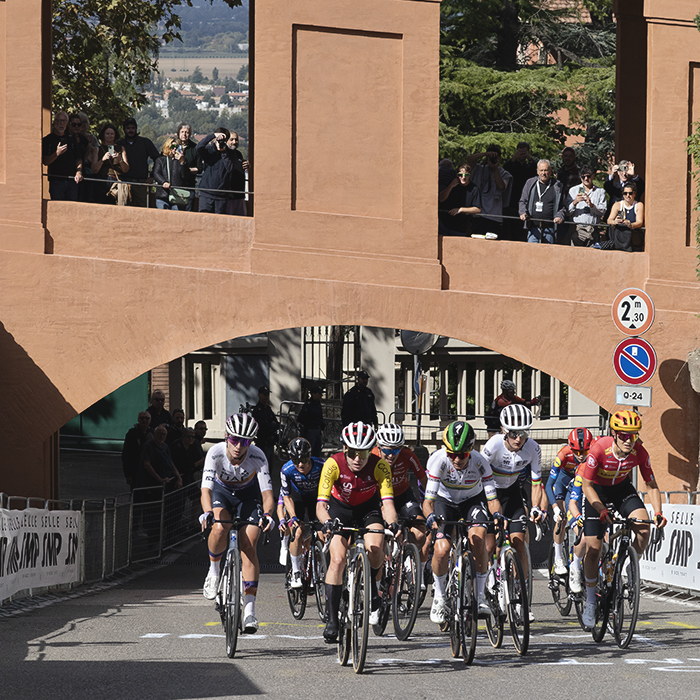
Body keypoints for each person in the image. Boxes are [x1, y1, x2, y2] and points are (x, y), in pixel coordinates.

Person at [580, 410, 665, 629]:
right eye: (624, 435)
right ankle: (590, 600)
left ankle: (629, 565)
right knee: (593, 549)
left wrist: (658, 512)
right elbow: (586, 485)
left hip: (621, 489)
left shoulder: (639, 452)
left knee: (644, 529)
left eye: (633, 435)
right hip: (596, 491)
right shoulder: (598, 448)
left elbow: (651, 484)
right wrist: (599, 508)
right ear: (614, 433)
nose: (629, 440)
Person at [316, 422, 398, 642]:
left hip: (367, 509)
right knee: (337, 559)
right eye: (352, 453)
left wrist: (392, 523)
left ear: (370, 449)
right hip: (339, 510)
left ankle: (372, 587)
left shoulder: (380, 466)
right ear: (345, 449)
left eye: (362, 452)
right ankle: (332, 620)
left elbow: (388, 505)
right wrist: (327, 522)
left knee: (376, 545)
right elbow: (321, 506)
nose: (357, 458)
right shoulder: (333, 464)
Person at [199, 413, 275, 634]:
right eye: (234, 439)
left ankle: (249, 611)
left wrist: (268, 514)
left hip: (248, 496)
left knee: (249, 544)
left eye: (245, 441)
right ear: (226, 437)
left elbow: (267, 493)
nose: (238, 446)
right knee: (220, 526)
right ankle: (214, 572)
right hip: (222, 493)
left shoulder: (258, 456)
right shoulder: (215, 453)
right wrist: (206, 513)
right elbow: (206, 489)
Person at [423, 421, 502, 622]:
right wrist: (430, 516)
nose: (456, 459)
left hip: (471, 501)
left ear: (471, 450)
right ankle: (440, 597)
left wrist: (497, 516)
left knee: (478, 539)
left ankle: (481, 596)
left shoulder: (480, 462)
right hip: (445, 502)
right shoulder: (438, 461)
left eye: (462, 455)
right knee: (441, 549)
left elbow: (492, 500)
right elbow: (428, 502)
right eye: (452, 454)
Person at [481, 404, 546, 621]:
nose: (519, 439)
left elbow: (536, 483)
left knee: (519, 542)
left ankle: (522, 599)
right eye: (513, 433)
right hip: (488, 492)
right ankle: (489, 579)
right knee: (489, 545)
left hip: (512, 493)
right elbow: (480, 477)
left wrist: (535, 507)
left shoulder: (533, 448)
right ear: (503, 430)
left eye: (524, 433)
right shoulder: (492, 446)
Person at [544, 428, 593, 580]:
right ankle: (558, 557)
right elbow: (549, 484)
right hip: (563, 483)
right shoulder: (564, 454)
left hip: (580, 483)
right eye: (577, 452)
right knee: (562, 518)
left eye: (584, 451)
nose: (580, 455)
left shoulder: (592, 455)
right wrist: (554, 507)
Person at [374, 423, 427, 558]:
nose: (391, 456)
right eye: (387, 451)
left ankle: (410, 559)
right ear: (379, 447)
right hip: (379, 498)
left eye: (396, 451)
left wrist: (431, 502)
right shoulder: (371, 457)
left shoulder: (407, 455)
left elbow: (424, 479)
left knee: (420, 533)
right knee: (383, 534)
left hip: (403, 495)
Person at [279, 437, 325, 588]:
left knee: (321, 536)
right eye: (296, 460)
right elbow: (286, 497)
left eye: (304, 459)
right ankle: (297, 571)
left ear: (310, 456)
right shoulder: (286, 470)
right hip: (297, 498)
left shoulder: (322, 465)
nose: (300, 464)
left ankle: (316, 569)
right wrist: (292, 518)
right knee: (297, 532)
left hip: (316, 499)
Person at [466, 145, 513, 238]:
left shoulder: (504, 173)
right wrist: (485, 154)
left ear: (499, 158)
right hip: (479, 215)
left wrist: (495, 168)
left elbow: (501, 187)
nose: (492, 159)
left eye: (495, 157)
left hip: (494, 216)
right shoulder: (479, 169)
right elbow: (469, 160)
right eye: (490, 157)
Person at [518, 159, 566, 244]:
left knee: (548, 254)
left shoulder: (557, 186)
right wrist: (523, 213)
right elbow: (523, 201)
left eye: (546, 170)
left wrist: (560, 216)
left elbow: (562, 206)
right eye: (541, 170)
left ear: (550, 171)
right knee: (532, 253)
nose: (543, 173)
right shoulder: (530, 183)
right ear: (537, 171)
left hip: (550, 228)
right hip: (533, 228)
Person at [197, 127, 240, 214]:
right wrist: (213, 135)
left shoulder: (231, 153)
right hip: (206, 193)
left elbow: (230, 168)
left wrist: (224, 152)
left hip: (221, 196)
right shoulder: (209, 150)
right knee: (204, 220)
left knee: (219, 223)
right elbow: (198, 147)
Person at [42, 111, 84, 201]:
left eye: (64, 121)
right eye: (59, 121)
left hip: (72, 181)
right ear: (54, 122)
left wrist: (79, 172)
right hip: (56, 181)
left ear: (67, 124)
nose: (61, 123)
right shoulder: (47, 140)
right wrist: (57, 153)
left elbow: (78, 158)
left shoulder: (72, 139)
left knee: (72, 208)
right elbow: (45, 161)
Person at [118, 117, 159, 208]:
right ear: (124, 129)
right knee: (122, 209)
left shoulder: (145, 142)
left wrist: (152, 176)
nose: (130, 130)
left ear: (136, 129)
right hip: (124, 183)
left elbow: (158, 159)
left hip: (141, 183)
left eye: (133, 128)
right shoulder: (119, 144)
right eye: (128, 128)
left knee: (143, 209)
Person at [566, 165, 607, 247]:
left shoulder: (600, 192)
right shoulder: (573, 190)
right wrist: (575, 202)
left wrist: (592, 205)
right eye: (583, 177)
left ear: (593, 176)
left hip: (593, 230)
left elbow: (603, 211)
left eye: (588, 176)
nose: (586, 179)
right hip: (577, 230)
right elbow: (567, 212)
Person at [504, 142, 538, 241]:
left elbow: (537, 171)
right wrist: (514, 157)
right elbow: (504, 170)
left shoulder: (530, 167)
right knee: (507, 231)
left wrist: (529, 158)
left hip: (525, 202)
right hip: (510, 201)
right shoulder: (511, 165)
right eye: (520, 150)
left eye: (524, 150)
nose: (522, 153)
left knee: (520, 232)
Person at [438, 163, 482, 237]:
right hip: (444, 224)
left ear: (470, 175)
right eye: (460, 175)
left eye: (466, 175)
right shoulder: (451, 184)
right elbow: (441, 199)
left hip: (460, 228)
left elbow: (477, 209)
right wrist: (451, 186)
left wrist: (460, 210)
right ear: (457, 175)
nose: (463, 177)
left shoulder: (474, 189)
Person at [91, 123, 129, 205]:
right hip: (101, 181)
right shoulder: (97, 149)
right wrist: (103, 159)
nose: (110, 136)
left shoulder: (121, 148)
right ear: (103, 135)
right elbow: (94, 170)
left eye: (112, 134)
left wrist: (120, 160)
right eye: (107, 134)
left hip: (116, 182)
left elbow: (126, 169)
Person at [138, 424, 182, 493]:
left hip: (167, 479)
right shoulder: (148, 445)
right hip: (153, 482)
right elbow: (147, 464)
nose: (161, 436)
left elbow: (170, 462)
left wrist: (179, 477)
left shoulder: (165, 446)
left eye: (164, 434)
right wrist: (159, 479)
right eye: (159, 434)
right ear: (154, 434)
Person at [153, 138, 192, 210]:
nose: (174, 149)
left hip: (178, 196)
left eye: (177, 147)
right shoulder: (161, 160)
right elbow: (156, 173)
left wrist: (182, 162)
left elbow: (186, 176)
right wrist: (163, 182)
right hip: (163, 196)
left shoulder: (183, 161)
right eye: (172, 147)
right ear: (168, 147)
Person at [605, 182, 644, 252]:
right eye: (625, 193)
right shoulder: (617, 205)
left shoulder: (638, 205)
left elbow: (640, 222)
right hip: (619, 239)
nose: (627, 195)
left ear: (634, 194)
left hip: (632, 240)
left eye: (630, 193)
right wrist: (615, 222)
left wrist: (631, 225)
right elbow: (609, 220)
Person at [121, 411, 153, 489]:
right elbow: (126, 455)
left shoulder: (153, 433)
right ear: (138, 419)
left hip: (150, 471)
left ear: (150, 420)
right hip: (136, 471)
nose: (144, 420)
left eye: (147, 418)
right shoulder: (131, 433)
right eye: (142, 418)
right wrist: (128, 475)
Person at [251, 385, 280, 468]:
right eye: (264, 394)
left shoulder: (268, 409)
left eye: (267, 394)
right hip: (263, 442)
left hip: (270, 442)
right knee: (263, 466)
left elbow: (276, 423)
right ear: (259, 395)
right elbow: (263, 426)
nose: (266, 397)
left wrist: (273, 425)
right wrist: (271, 425)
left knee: (270, 466)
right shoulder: (258, 410)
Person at [174, 122, 199, 211]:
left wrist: (186, 170)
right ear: (178, 133)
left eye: (187, 132)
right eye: (182, 132)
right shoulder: (173, 146)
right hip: (174, 186)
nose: (184, 134)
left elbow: (199, 168)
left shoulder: (195, 148)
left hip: (189, 186)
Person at [296, 385, 325, 457]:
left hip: (317, 430)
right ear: (313, 394)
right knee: (309, 452)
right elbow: (301, 419)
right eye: (319, 394)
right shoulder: (309, 405)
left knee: (317, 451)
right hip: (310, 431)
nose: (321, 396)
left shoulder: (318, 404)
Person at [226, 131, 250, 216]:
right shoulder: (224, 154)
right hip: (228, 197)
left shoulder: (238, 154)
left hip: (240, 195)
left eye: (236, 140)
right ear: (226, 141)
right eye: (231, 139)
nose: (234, 142)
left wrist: (247, 165)